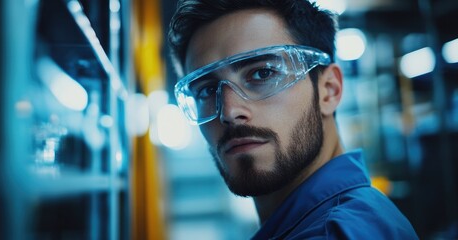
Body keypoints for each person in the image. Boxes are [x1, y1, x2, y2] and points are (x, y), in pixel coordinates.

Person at [168, 0, 419, 239]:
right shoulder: (314, 222)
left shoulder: (334, 233)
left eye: (263, 73)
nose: (229, 111)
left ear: (329, 90)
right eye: (206, 90)